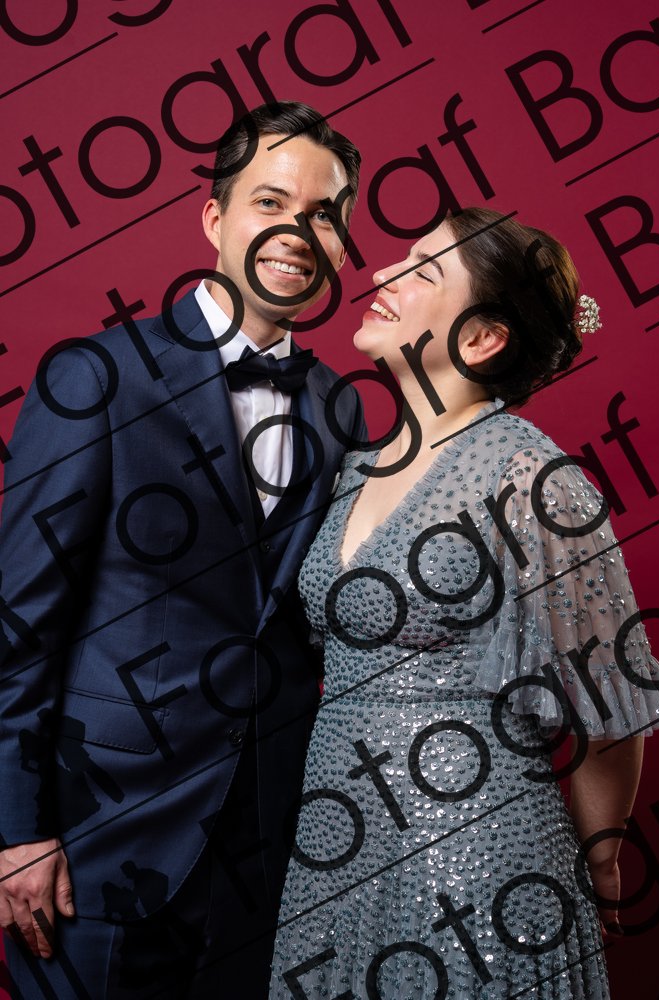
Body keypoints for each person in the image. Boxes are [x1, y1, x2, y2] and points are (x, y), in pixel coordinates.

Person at [0, 101, 365, 998]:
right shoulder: (97, 377)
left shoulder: (339, 406)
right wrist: (16, 832)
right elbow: (20, 624)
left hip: (264, 838)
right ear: (213, 218)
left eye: (323, 214)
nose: (296, 233)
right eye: (270, 202)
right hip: (94, 835)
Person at [269, 208, 659, 999]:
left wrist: (599, 859)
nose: (381, 274)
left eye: (423, 271)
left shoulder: (530, 479)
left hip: (478, 855)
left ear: (482, 339)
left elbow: (611, 707)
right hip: (333, 851)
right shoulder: (350, 469)